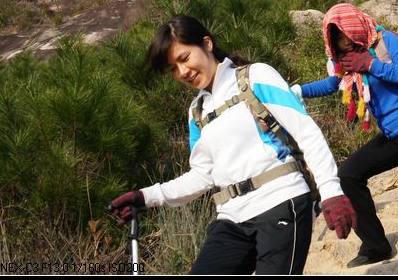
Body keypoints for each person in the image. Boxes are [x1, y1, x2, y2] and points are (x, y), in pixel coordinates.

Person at [108, 15, 356, 275]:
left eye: (184, 58)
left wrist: (331, 192)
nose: (182, 72)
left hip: (282, 202)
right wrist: (146, 197)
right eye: (173, 68)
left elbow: (306, 132)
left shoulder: (255, 76)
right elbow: (203, 175)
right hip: (232, 217)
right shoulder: (198, 111)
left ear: (207, 44)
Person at [293, 3, 398, 274]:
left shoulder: (384, 41)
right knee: (347, 174)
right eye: (335, 37)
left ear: (355, 26)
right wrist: (297, 91)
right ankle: (376, 245)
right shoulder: (347, 60)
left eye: (343, 34)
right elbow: (332, 83)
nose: (342, 42)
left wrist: (370, 64)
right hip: (394, 135)